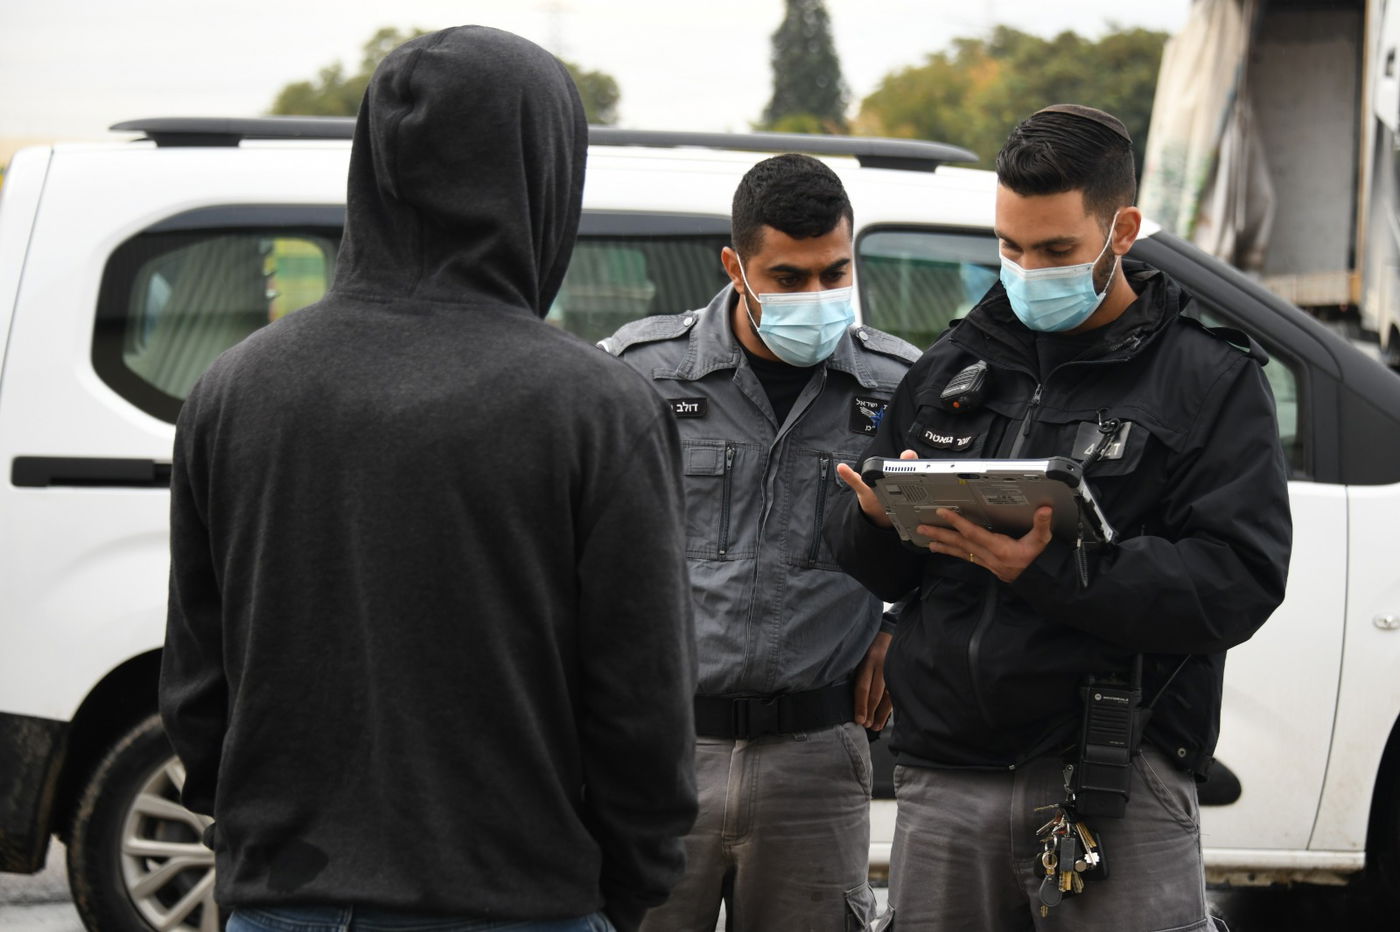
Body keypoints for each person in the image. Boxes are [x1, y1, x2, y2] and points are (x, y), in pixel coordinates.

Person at [159, 26, 697, 932]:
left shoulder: (234, 387)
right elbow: (641, 705)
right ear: (545, 169)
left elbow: (194, 682)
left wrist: (260, 840)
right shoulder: (599, 408)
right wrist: (629, 885)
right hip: (517, 899)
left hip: (281, 895)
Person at [829, 104, 1293, 931]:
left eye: (1054, 251)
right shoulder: (952, 366)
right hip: (946, 780)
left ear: (1124, 231)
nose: (1026, 270)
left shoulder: (1209, 381)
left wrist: (1054, 570)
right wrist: (873, 521)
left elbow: (1239, 579)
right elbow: (894, 572)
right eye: (1009, 247)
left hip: (1113, 777)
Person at [599, 153, 918, 931]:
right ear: (734, 267)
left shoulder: (897, 386)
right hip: (662, 753)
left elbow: (942, 539)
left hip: (817, 757)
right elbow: (574, 542)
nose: (816, 296)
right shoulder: (641, 375)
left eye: (834, 273)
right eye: (788, 277)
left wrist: (896, 624)